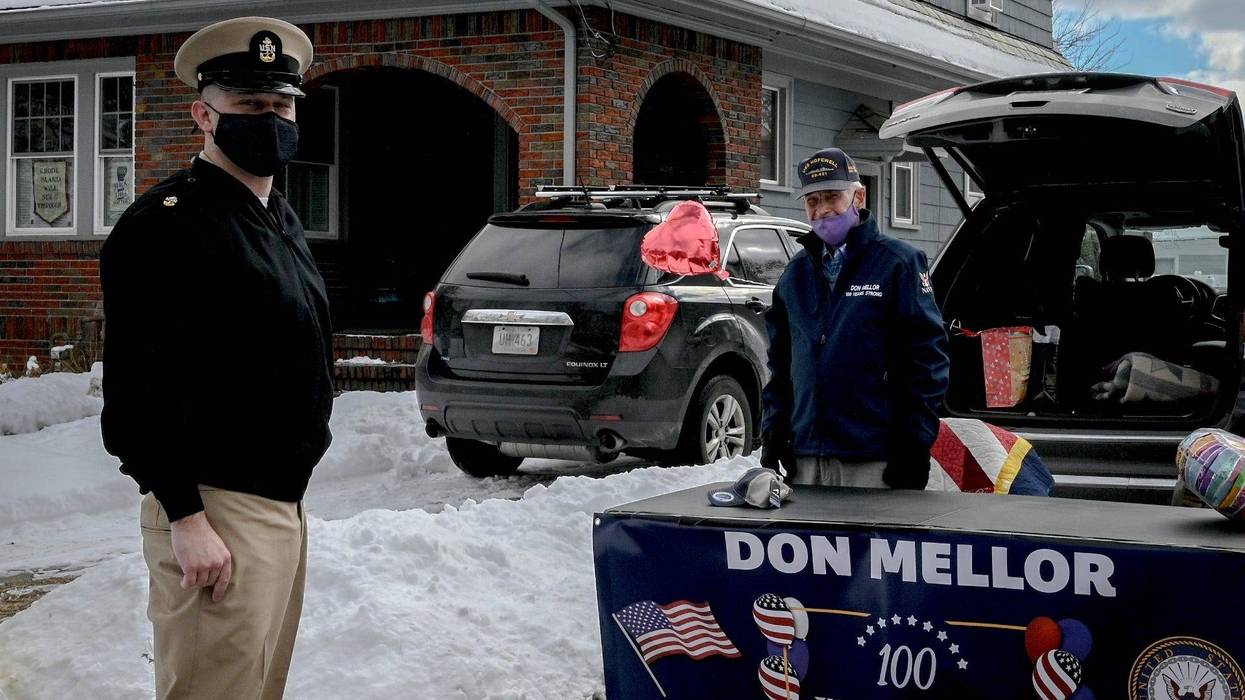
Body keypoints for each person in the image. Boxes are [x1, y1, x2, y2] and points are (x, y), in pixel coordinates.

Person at [99, 16, 332, 699]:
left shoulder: (275, 216)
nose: (270, 119)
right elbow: (141, 388)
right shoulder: (168, 223)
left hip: (279, 505)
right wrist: (185, 517)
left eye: (281, 105)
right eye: (248, 105)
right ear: (204, 114)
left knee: (257, 686)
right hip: (215, 509)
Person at [760, 147, 949, 489]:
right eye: (812, 201)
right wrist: (774, 430)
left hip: (875, 457)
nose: (822, 211)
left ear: (858, 196)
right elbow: (781, 364)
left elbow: (927, 361)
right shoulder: (795, 275)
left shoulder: (897, 264)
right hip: (807, 457)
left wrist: (914, 444)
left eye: (833, 197)